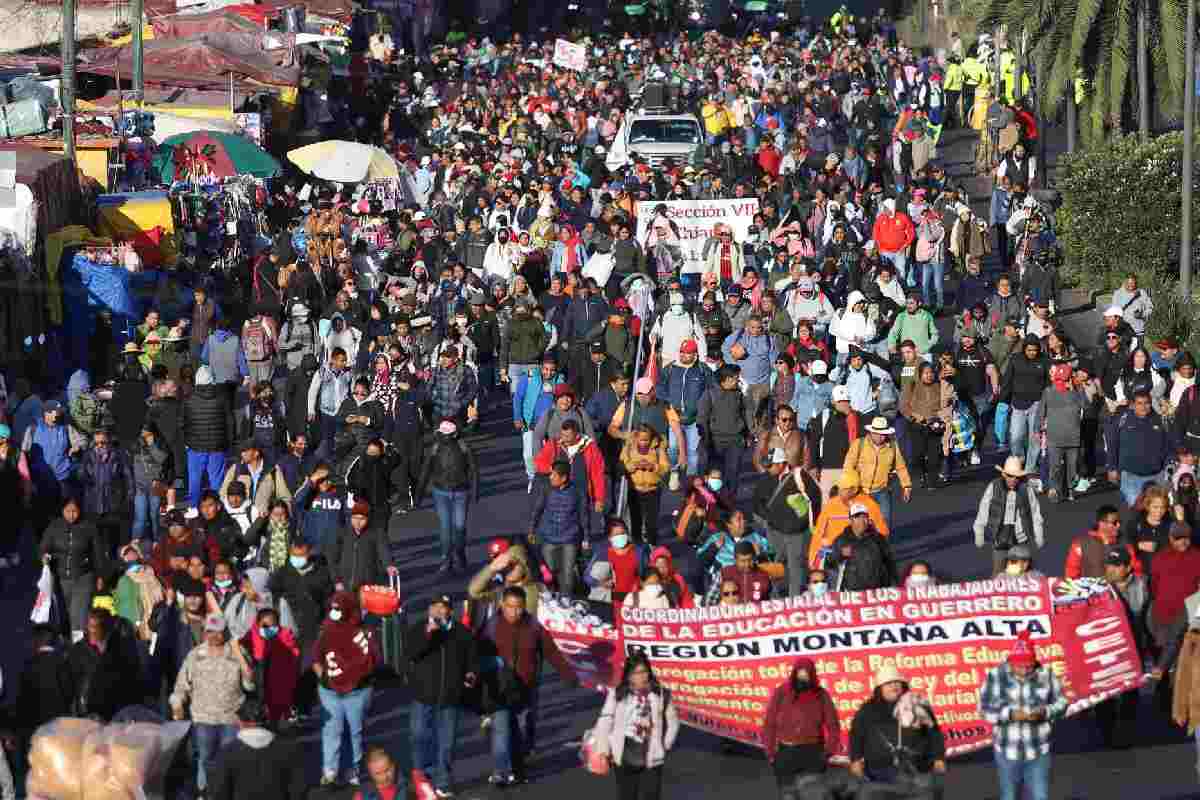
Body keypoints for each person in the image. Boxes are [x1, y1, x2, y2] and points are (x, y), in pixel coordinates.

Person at [478, 585, 579, 786]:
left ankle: (518, 767)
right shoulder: (491, 627)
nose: (514, 612)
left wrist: (568, 675)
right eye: (510, 606)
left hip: (526, 687)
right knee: (501, 728)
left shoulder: (534, 627)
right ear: (502, 605)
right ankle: (501, 771)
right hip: (500, 688)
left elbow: (551, 652)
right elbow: (476, 654)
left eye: (518, 607)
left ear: (525, 606)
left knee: (520, 729)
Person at [170, 612, 255, 798]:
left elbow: (250, 685)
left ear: (224, 632)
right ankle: (204, 793)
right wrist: (177, 704)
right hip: (203, 719)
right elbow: (181, 685)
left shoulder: (236, 653)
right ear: (204, 632)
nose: (213, 636)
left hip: (231, 718)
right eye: (209, 631)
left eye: (218, 632)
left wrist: (242, 660)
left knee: (229, 760)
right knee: (206, 760)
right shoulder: (195, 656)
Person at [978, 631, 1068, 800]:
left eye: (1029, 666)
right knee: (1009, 796)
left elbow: (1062, 703)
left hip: (1039, 750)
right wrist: (1009, 714)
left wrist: (1045, 712)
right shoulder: (995, 676)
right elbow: (983, 709)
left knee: (1040, 796)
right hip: (1006, 751)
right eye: (1020, 666)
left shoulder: (1047, 675)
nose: (1025, 671)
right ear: (1011, 662)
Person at [405, 594, 478, 798]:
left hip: (450, 696)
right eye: (435, 606)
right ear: (429, 609)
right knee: (419, 736)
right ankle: (421, 777)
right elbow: (410, 653)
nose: (439, 610)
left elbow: (472, 658)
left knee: (446, 743)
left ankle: (443, 782)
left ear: (450, 611)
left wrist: (471, 673)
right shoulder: (419, 628)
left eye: (443, 607)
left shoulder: (461, 632)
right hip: (423, 696)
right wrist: (428, 634)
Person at [848, 664, 946, 799]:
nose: (894, 686)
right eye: (888, 683)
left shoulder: (918, 704)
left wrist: (939, 758)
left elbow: (934, 733)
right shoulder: (867, 710)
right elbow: (856, 736)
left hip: (917, 770)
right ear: (879, 688)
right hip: (878, 772)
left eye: (896, 682)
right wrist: (855, 760)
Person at [591, 651, 679, 800]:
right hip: (624, 754)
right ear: (629, 675)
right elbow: (605, 720)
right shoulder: (618, 693)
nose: (641, 676)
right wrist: (604, 749)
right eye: (636, 672)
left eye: (644, 671)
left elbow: (673, 722)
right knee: (627, 795)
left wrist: (665, 745)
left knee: (651, 796)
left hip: (652, 755)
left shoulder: (661, 693)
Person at [314, 591, 377, 786]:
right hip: (330, 691)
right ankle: (330, 771)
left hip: (356, 692)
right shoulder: (326, 630)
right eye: (333, 608)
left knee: (356, 731)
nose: (335, 612)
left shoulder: (363, 632)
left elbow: (373, 659)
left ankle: (354, 770)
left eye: (339, 609)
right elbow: (317, 658)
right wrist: (325, 678)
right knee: (332, 730)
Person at [762, 657, 839, 800]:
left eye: (807, 673)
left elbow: (833, 725)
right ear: (794, 673)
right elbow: (769, 723)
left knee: (812, 795)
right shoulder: (782, 692)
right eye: (800, 673)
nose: (803, 677)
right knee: (788, 795)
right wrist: (771, 752)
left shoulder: (821, 695)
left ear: (812, 675)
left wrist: (827, 753)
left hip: (812, 753)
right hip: (786, 752)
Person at [1096, 546, 1150, 749]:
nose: (1111, 569)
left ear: (1128, 567)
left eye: (1117, 565)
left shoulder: (1142, 584)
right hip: (1106, 648)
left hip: (1132, 646)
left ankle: (1126, 732)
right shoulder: (1097, 587)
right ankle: (1106, 734)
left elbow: (1141, 610)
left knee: (1130, 694)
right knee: (1105, 694)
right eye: (1109, 564)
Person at [208, 697, 307, 800]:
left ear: (240, 722)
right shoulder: (288, 750)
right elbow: (297, 790)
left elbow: (220, 792)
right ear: (267, 720)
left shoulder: (227, 752)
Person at [418, 419, 480, 574]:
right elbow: (426, 470)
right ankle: (446, 559)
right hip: (441, 492)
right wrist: (419, 493)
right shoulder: (435, 448)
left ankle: (459, 553)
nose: (444, 437)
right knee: (446, 527)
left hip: (460, 492)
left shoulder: (464, 447)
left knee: (459, 528)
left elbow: (473, 470)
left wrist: (475, 490)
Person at [40, 497, 105, 640]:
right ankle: (65, 647)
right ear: (62, 511)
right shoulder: (54, 526)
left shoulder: (89, 527)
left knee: (79, 615)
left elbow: (98, 553)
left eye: (74, 511)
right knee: (64, 615)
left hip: (83, 577)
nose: (71, 514)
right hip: (61, 579)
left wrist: (101, 575)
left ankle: (79, 648)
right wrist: (45, 556)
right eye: (68, 511)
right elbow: (44, 547)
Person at [973, 456, 1045, 575]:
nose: (1014, 479)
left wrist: (1039, 535)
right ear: (1004, 475)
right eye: (1010, 476)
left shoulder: (1026, 489)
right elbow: (983, 510)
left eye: (1017, 477)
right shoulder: (994, 486)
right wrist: (979, 531)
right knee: (998, 573)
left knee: (1023, 574)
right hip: (999, 535)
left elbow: (1035, 513)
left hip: (1020, 536)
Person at [529, 460, 591, 595]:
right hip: (549, 538)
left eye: (553, 475)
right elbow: (537, 510)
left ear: (563, 478)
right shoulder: (546, 489)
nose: (550, 477)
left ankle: (567, 598)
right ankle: (552, 597)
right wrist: (532, 530)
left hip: (570, 538)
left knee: (568, 573)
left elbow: (584, 515)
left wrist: (586, 538)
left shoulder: (578, 491)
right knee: (550, 572)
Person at [842, 416, 912, 531]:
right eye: (878, 433)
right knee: (859, 524)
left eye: (884, 433)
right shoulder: (859, 444)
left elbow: (900, 467)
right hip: (861, 491)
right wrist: (849, 487)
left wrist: (907, 486)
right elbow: (848, 466)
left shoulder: (892, 447)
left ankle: (882, 546)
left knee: (884, 522)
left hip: (882, 491)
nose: (881, 436)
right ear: (871, 432)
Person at [807, 470, 888, 568]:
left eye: (843, 489)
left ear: (854, 489)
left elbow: (882, 534)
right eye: (839, 488)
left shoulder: (870, 506)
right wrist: (813, 562)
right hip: (836, 557)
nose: (839, 492)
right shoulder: (831, 505)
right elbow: (818, 535)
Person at [697, 365, 755, 500]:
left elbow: (746, 414)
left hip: (735, 442)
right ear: (727, 379)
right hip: (714, 442)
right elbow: (702, 419)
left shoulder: (739, 394)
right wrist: (706, 441)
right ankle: (709, 503)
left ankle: (729, 504)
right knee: (713, 477)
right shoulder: (709, 394)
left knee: (732, 475)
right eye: (736, 378)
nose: (738, 381)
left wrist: (747, 435)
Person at [184, 366, 238, 509]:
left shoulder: (189, 399)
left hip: (195, 447)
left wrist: (187, 441)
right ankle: (215, 507)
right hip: (218, 447)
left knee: (195, 480)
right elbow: (230, 421)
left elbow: (182, 423)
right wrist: (230, 442)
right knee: (217, 480)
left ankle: (194, 508)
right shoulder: (223, 398)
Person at [1107, 389, 1172, 506]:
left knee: (1157, 512)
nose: (1143, 407)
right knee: (1136, 511)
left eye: (1146, 403)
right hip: (1131, 477)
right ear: (1133, 405)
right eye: (1139, 403)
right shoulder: (1123, 420)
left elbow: (1167, 445)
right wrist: (1112, 467)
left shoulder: (1159, 420)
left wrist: (1168, 465)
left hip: (1156, 476)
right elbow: (1112, 444)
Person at [1149, 522, 1200, 652]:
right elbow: (1154, 586)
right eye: (1178, 538)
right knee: (1164, 655)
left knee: (1187, 656)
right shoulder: (1159, 558)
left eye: (1186, 538)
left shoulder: (1197, 557)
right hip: (1163, 616)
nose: (1183, 542)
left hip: (1189, 618)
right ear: (1171, 538)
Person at [620, 424, 671, 546]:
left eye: (646, 440)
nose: (644, 442)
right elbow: (623, 463)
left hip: (652, 490)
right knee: (635, 519)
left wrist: (653, 467)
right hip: (635, 489)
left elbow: (665, 468)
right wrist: (633, 466)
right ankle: (637, 545)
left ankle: (652, 544)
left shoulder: (658, 449)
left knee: (651, 521)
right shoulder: (629, 447)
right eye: (641, 440)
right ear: (636, 438)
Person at [829, 502, 897, 591]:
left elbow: (890, 563)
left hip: (877, 591)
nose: (861, 520)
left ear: (868, 519)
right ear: (850, 520)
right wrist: (840, 554)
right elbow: (829, 564)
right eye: (857, 517)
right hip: (852, 594)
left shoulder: (879, 539)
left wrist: (895, 586)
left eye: (864, 517)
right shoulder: (841, 540)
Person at [585, 519, 652, 607]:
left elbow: (648, 574)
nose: (620, 537)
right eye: (616, 535)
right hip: (609, 602)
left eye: (623, 533)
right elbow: (587, 576)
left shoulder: (638, 552)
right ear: (609, 537)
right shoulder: (603, 553)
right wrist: (600, 583)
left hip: (632, 600)